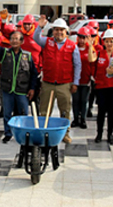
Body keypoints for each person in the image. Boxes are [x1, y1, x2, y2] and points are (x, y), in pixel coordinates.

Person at [34, 16, 81, 144]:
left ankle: (65, 134)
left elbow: (77, 65)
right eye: (56, 30)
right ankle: (44, 132)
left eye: (62, 30)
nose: (59, 33)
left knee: (65, 110)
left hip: (64, 84)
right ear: (53, 31)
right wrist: (40, 27)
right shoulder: (47, 42)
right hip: (48, 83)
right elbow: (36, 38)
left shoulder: (72, 46)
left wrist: (75, 82)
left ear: (66, 32)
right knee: (44, 111)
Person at [0, 30, 38, 143]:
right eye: (12, 39)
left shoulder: (27, 56)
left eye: (17, 39)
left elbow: (33, 73)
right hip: (7, 89)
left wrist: (32, 88)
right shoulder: (4, 53)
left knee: (23, 113)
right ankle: (8, 133)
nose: (14, 41)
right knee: (7, 114)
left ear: (21, 41)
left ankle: (23, 134)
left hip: (22, 90)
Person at [90, 29, 113, 143]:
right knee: (101, 111)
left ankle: (110, 134)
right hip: (101, 86)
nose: (109, 44)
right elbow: (91, 59)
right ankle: (99, 133)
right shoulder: (99, 53)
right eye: (107, 41)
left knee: (111, 111)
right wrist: (90, 45)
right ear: (103, 42)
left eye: (111, 41)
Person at [71, 26, 95, 129]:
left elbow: (91, 60)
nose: (81, 40)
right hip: (75, 80)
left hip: (86, 80)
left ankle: (83, 119)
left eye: (84, 37)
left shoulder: (91, 50)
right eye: (80, 37)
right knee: (75, 100)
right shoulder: (73, 48)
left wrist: (90, 46)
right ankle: (76, 118)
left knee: (84, 101)